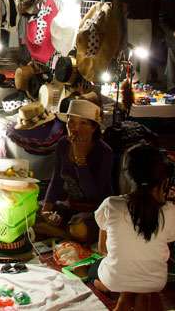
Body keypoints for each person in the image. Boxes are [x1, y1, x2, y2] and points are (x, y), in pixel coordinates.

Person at [91, 144, 175, 306]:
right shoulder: (170, 211)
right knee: (139, 276)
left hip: (115, 279)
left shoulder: (111, 204)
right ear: (163, 179)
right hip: (156, 282)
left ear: (127, 175)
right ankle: (138, 295)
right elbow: (165, 252)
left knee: (96, 270)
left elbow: (102, 248)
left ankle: (119, 293)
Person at [40, 96, 113, 244]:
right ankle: (65, 234)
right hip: (70, 206)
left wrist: (81, 161)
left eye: (83, 123)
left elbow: (93, 194)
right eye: (71, 122)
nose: (75, 128)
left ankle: (65, 234)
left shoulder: (104, 152)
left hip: (95, 210)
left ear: (93, 127)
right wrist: (46, 210)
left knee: (78, 228)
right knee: (31, 215)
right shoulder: (63, 144)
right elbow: (56, 180)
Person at [120, 0, 156, 84]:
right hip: (146, 21)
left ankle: (132, 78)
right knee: (146, 52)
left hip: (133, 22)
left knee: (133, 52)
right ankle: (144, 81)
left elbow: (124, 8)